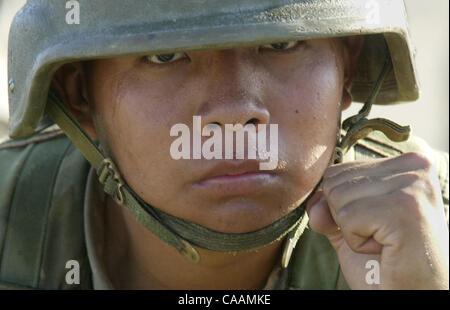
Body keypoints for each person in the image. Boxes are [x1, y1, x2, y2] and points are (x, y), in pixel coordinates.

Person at [0, 0, 448, 290]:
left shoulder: (434, 235)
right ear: (80, 97)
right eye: (166, 56)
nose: (235, 111)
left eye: (281, 42)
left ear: (345, 70)